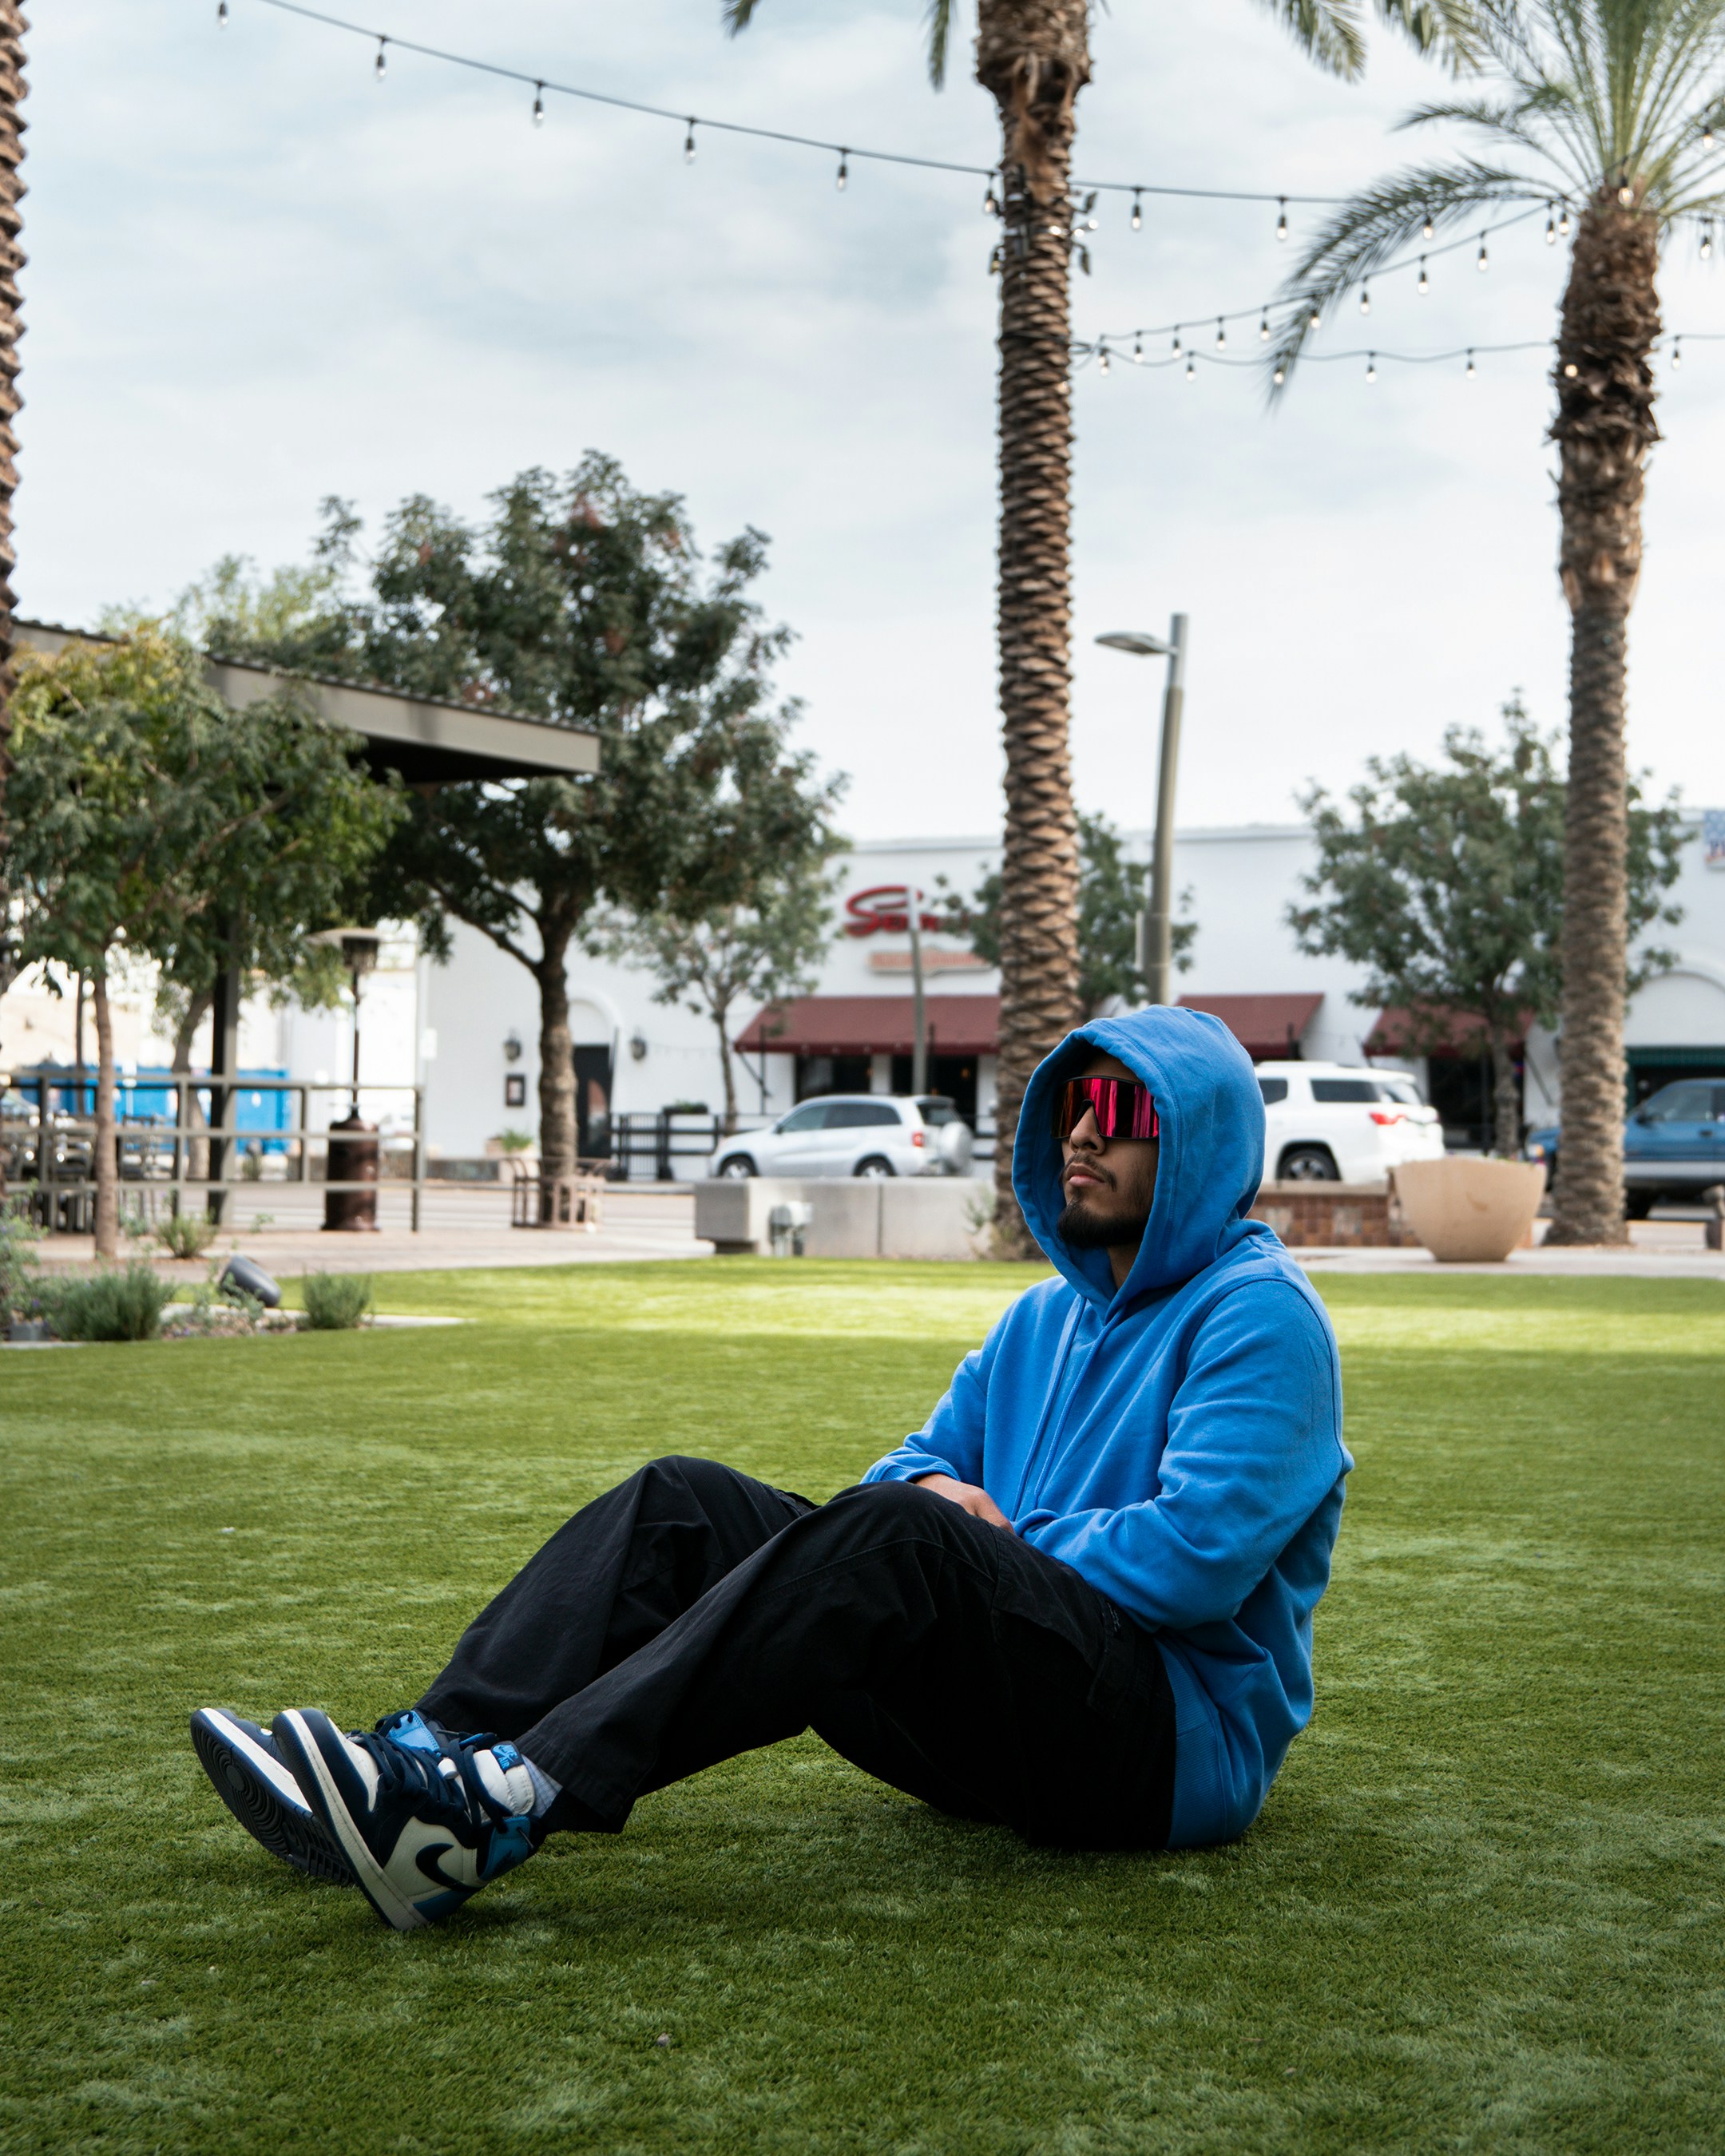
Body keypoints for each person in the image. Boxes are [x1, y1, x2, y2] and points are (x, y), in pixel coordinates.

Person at [190, 1007, 1349, 1931]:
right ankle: (419, 1762)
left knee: (906, 1536)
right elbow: (905, 1470)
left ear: (1198, 1141)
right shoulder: (1041, 1319)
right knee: (686, 1501)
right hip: (1001, 1722)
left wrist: (996, 1534)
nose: (1080, 1134)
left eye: (1117, 1107)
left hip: (1159, 1749)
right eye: (1067, 1108)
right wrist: (956, 1518)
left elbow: (1195, 1558)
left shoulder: (1258, 1318)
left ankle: (503, 1807)